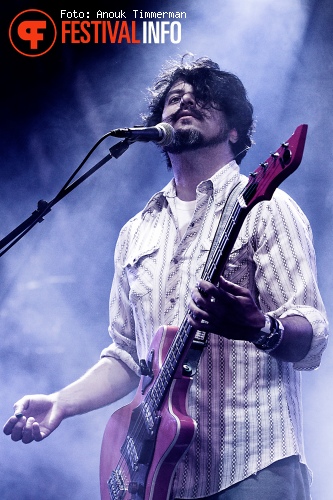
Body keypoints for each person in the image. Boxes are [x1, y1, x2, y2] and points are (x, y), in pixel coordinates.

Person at [3, 55, 328, 500]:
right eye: (174, 98)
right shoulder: (136, 232)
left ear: (235, 131)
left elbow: (312, 338)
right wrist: (61, 403)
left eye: (203, 98)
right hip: (160, 477)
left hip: (252, 463)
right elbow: (126, 356)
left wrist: (259, 326)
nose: (184, 103)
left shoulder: (268, 206)